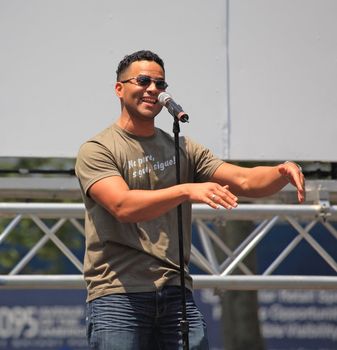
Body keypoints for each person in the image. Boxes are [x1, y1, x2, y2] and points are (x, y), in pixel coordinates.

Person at [75, 50, 305, 350]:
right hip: (118, 293)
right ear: (120, 89)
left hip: (175, 291)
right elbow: (122, 206)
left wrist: (280, 171)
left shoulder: (182, 147)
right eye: (143, 80)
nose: (153, 89)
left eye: (160, 84)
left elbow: (245, 180)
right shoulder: (98, 149)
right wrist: (186, 190)